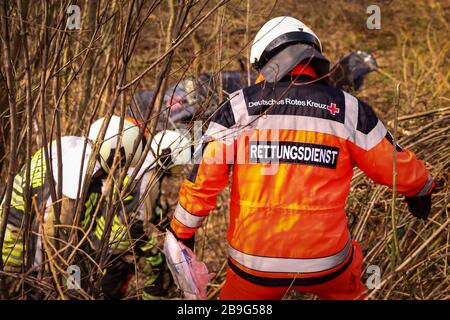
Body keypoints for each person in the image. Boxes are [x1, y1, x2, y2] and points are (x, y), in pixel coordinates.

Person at [168, 16, 435, 300]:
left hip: (253, 265)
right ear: (314, 56)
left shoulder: (238, 108)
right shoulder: (348, 110)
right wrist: (421, 188)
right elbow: (394, 165)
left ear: (263, 60)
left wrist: (182, 231)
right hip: (328, 265)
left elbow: (203, 178)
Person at [0, 115, 145, 298]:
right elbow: (54, 236)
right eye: (120, 162)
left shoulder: (75, 147)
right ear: (112, 153)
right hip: (21, 242)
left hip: (30, 231)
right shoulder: (76, 175)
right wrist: (62, 288)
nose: (119, 169)